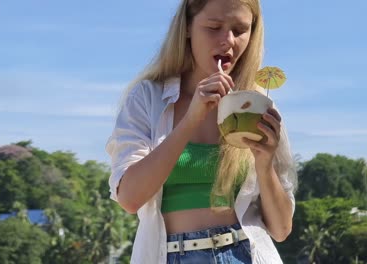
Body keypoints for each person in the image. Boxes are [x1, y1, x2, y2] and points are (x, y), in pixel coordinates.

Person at [105, 0, 297, 263]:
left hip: (245, 253)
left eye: (240, 30)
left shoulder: (257, 105)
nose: (228, 40)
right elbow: (129, 198)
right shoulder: (148, 98)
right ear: (187, 28)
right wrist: (191, 118)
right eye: (213, 27)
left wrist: (265, 165)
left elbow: (282, 229)